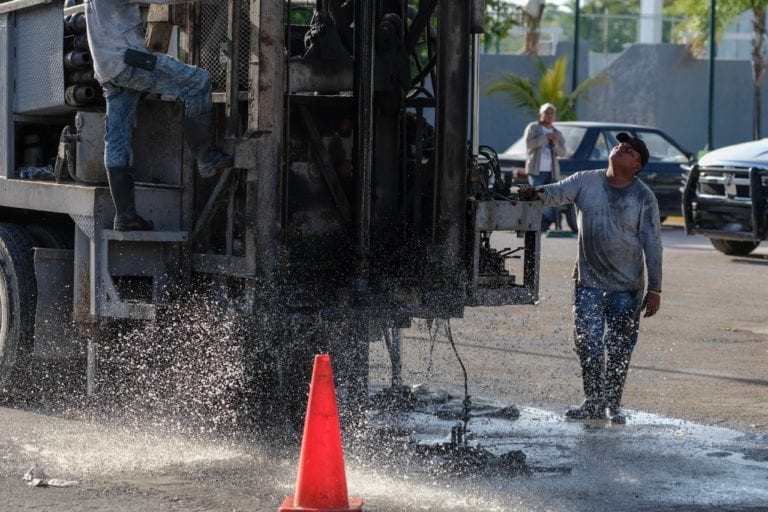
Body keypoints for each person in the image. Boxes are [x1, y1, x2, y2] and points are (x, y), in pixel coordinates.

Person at [518, 132, 662, 424]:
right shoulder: (586, 180)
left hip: (627, 287)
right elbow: (554, 192)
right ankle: (593, 401)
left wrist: (656, 288)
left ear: (638, 165)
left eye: (630, 149)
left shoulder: (644, 197)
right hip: (588, 282)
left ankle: (613, 404)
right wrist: (532, 193)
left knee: (620, 348)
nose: (621, 148)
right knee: (588, 343)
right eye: (620, 145)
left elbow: (653, 244)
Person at [85, 0, 233, 231]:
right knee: (198, 82)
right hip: (128, 62)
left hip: (106, 68)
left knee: (117, 140)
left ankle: (125, 216)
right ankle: (207, 158)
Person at [524, 103, 566, 231]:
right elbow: (528, 144)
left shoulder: (557, 133)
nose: (549, 115)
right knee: (538, 197)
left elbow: (563, 152)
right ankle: (552, 218)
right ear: (540, 114)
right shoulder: (533, 128)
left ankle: (542, 225)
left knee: (550, 198)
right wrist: (545, 138)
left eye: (551, 113)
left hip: (552, 172)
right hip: (536, 171)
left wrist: (555, 144)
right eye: (546, 113)